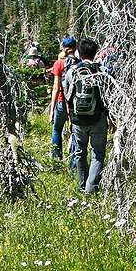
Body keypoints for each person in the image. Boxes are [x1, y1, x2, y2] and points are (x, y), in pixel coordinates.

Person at [63, 38, 108, 194]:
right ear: (95, 53)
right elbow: (107, 97)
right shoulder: (101, 71)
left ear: (79, 53)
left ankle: (83, 186)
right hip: (98, 118)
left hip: (78, 120)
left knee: (80, 153)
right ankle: (91, 188)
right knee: (98, 153)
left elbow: (68, 96)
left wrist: (70, 118)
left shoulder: (71, 71)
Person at [47, 36, 78, 172]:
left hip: (61, 101)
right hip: (76, 103)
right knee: (75, 132)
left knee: (56, 130)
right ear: (75, 48)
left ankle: (56, 161)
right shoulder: (80, 63)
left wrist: (51, 109)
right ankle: (73, 165)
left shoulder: (59, 64)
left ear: (64, 48)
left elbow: (56, 87)